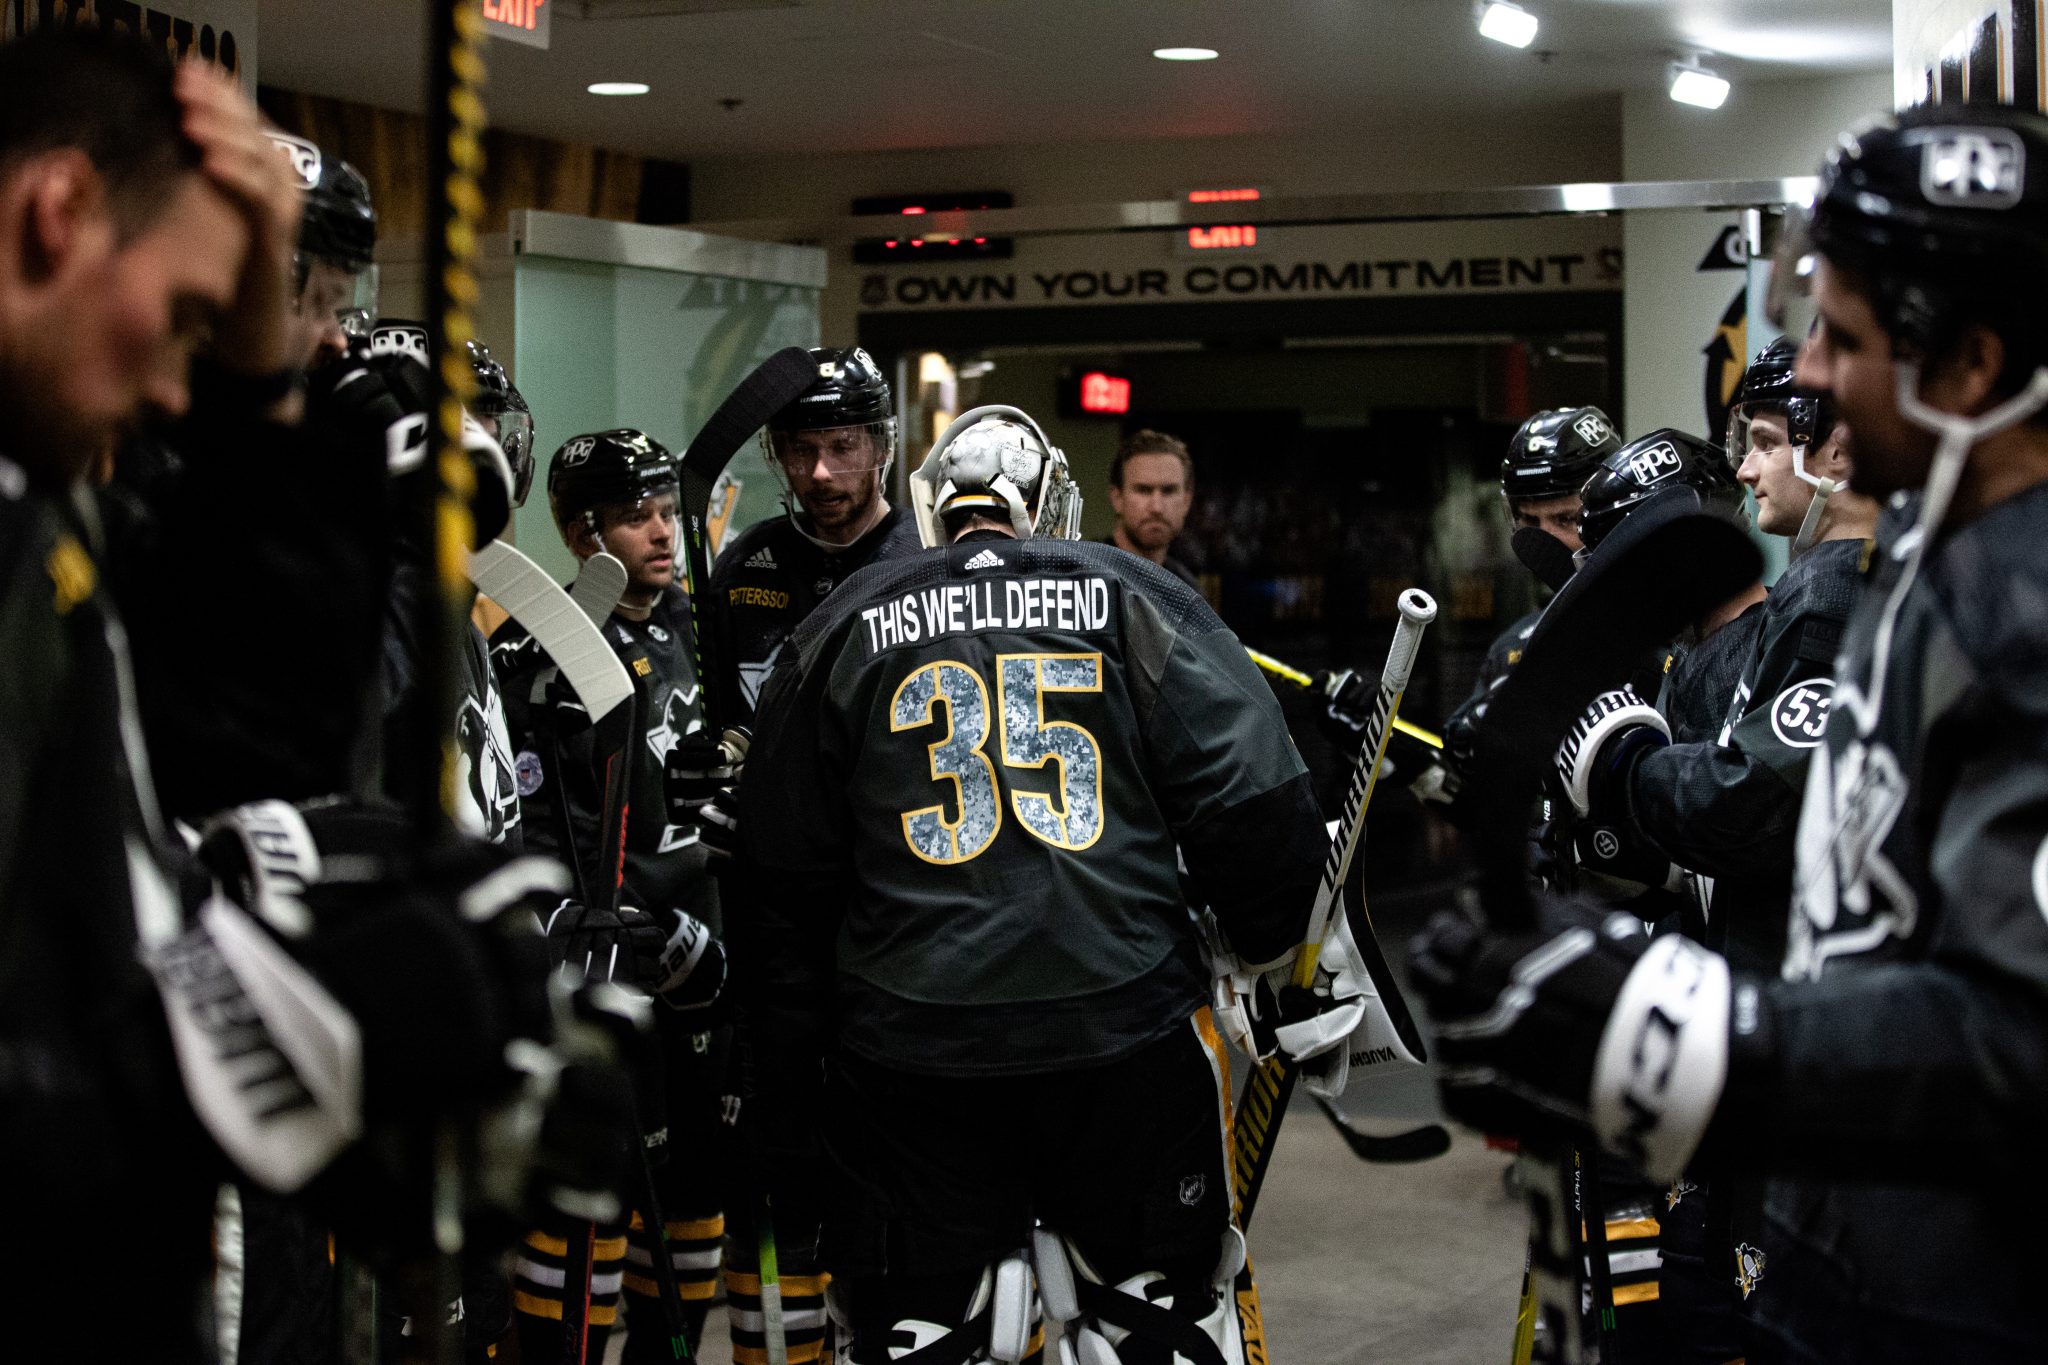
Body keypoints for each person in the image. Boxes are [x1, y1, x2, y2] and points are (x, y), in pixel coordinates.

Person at [0, 28, 620, 1362]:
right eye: (187, 321)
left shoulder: (47, 514)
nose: (176, 378)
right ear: (55, 218)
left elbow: (182, 788)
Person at [1412, 102, 2048, 1364]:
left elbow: (2015, 1044)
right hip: (1847, 1256)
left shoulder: (2030, 608)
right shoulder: (1926, 563)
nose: (1804, 374)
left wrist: (1672, 1034)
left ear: (1969, 367)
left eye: (1841, 337)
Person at [730, 405, 1338, 1364]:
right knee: (1157, 1317)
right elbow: (1256, 802)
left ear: (933, 508)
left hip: (908, 1053)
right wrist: (1268, 939)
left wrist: (790, 1079)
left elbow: (781, 881)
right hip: (1124, 1031)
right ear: (1055, 500)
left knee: (926, 1328)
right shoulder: (1135, 594)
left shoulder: (839, 624)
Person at [493, 428, 728, 1362]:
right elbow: (533, 833)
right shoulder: (533, 653)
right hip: (606, 976)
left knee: (694, 1207)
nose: (664, 533)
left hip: (703, 970)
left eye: (669, 511)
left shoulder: (698, 630)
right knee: (582, 1208)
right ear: (579, 528)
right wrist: (602, 932)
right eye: (638, 517)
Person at [706, 346, 922, 726]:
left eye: (843, 447)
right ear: (780, 455)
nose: (820, 472)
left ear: (882, 446)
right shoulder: (745, 562)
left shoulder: (927, 556)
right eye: (802, 450)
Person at [1104, 427, 1199, 587]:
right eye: (1144, 490)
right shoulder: (1085, 575)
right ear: (1117, 498)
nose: (1157, 507)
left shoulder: (1187, 590)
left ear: (1186, 500)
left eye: (1169, 491)